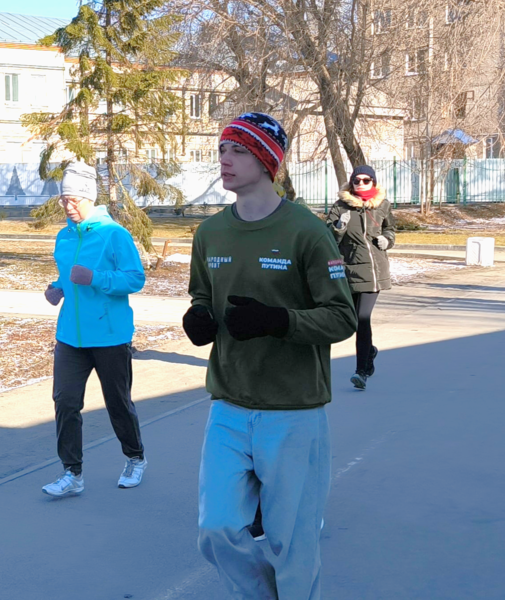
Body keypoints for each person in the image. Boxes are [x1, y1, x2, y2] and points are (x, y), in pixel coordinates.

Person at [183, 112, 357, 599]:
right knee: (216, 530)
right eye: (222, 150)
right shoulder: (210, 234)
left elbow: (342, 317)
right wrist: (198, 318)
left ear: (266, 159)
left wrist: (280, 321)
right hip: (229, 407)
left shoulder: (306, 232)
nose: (225, 160)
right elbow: (202, 297)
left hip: (294, 412)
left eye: (237, 150)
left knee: (292, 547)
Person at [41, 160, 147, 497]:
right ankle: (72, 474)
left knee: (117, 402)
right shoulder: (64, 235)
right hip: (70, 335)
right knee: (65, 402)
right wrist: (55, 288)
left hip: (109, 335)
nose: (68, 206)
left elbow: (135, 278)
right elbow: (67, 274)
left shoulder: (114, 234)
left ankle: (135, 458)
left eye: (73, 200)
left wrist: (96, 279)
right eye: (63, 200)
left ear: (89, 198)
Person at [327, 165, 396, 390]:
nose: (361, 184)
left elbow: (390, 230)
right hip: (349, 270)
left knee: (363, 318)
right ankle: (370, 352)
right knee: (354, 321)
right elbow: (328, 239)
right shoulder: (341, 206)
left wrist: (387, 240)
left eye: (366, 180)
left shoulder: (383, 205)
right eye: (357, 180)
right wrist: (339, 227)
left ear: (373, 182)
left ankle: (361, 372)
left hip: (374, 271)